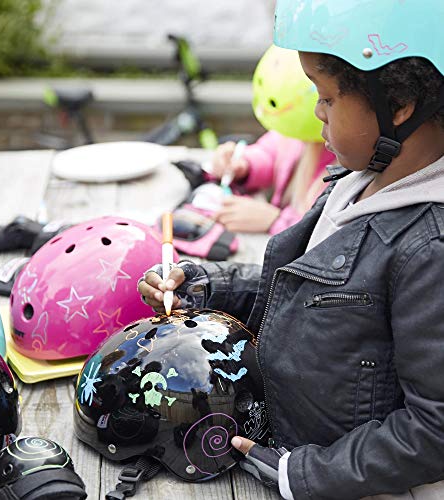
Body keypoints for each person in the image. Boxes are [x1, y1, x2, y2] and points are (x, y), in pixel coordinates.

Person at [138, 0, 444, 498]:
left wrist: (302, 474)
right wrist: (207, 286)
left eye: (326, 97)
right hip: (278, 445)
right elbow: (314, 295)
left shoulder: (429, 249)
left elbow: (433, 431)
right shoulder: (355, 183)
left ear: (399, 104)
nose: (317, 112)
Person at [211, 45, 336, 234]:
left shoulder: (349, 165)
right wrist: (244, 165)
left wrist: (274, 220)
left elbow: (329, 235)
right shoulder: (297, 133)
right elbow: (270, 152)